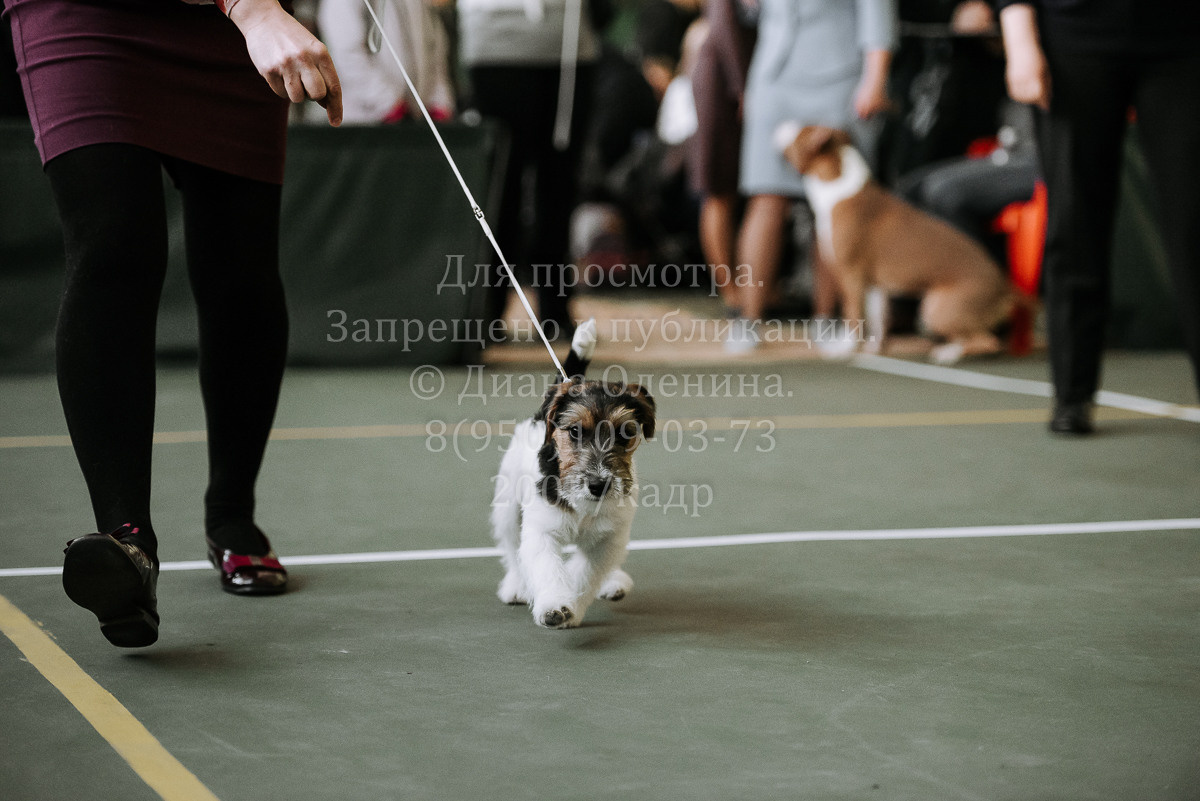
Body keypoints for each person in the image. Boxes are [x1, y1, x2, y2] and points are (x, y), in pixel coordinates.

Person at [3, 0, 342, 647]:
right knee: (113, 246)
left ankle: (232, 515)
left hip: (223, 36)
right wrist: (252, 8)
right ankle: (128, 543)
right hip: (87, 14)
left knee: (241, 271)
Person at [997, 0, 1200, 433]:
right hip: (1073, 38)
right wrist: (1019, 39)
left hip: (1183, 40)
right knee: (1074, 219)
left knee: (1193, 225)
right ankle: (1072, 395)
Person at [731, 0, 898, 351]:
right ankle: (748, 319)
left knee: (835, 208)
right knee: (765, 197)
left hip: (839, 80)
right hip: (772, 77)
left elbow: (876, 9)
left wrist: (875, 77)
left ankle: (825, 317)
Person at [457, 0, 602, 338]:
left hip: (567, 45)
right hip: (496, 42)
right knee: (500, 187)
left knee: (559, 186)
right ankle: (488, 309)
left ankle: (555, 309)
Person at [687, 0, 758, 321]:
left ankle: (753, 285)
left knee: (751, 190)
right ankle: (730, 290)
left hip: (754, 78)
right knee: (719, 188)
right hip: (721, 80)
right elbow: (723, 25)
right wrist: (743, 87)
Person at [318, 0, 455, 124]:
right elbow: (347, 53)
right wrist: (389, 104)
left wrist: (439, 102)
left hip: (414, 121)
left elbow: (436, 52)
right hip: (366, 123)